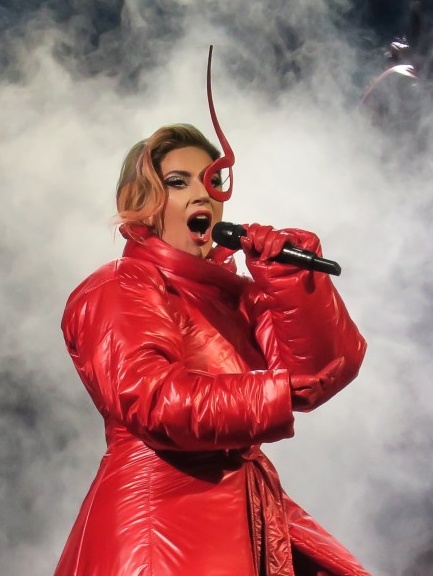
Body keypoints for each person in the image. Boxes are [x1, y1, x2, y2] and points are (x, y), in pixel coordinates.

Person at [54, 122, 368, 576]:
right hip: (162, 527)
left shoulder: (235, 295)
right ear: (138, 204)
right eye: (178, 183)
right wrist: (270, 392)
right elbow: (154, 401)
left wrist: (292, 284)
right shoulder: (121, 285)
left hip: (242, 516)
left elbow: (322, 375)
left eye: (213, 181)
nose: (203, 195)